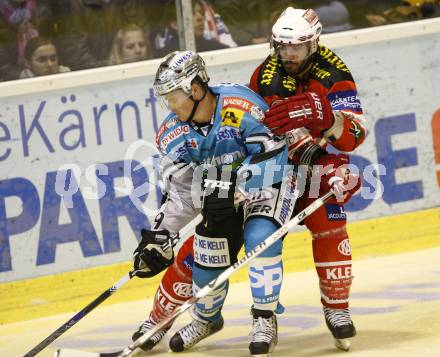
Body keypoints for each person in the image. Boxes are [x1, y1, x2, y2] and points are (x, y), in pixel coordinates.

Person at [129, 50, 360, 356]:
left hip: (270, 185)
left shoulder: (242, 105)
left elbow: (275, 153)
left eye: (173, 97)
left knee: (261, 239)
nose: (169, 106)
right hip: (221, 196)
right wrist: (161, 235)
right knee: (208, 259)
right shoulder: (171, 134)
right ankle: (206, 319)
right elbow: (181, 193)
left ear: (195, 90)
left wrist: (236, 184)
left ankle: (264, 318)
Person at [249, 6, 365, 351]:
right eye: (283, 47)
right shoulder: (264, 75)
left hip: (317, 166)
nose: (289, 54)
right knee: (262, 239)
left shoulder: (335, 74)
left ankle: (337, 309)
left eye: (297, 46)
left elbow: (355, 135)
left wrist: (329, 121)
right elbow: (255, 129)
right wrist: (303, 143)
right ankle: (264, 318)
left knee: (332, 220)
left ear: (314, 43)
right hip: (274, 167)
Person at [153, 0, 235, 57]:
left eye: (200, 12)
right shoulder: (162, 57)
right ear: (175, 24)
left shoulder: (218, 50)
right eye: (191, 13)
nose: (200, 18)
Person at [0, 0, 53, 81]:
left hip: (49, 76)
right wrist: (23, 76)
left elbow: (60, 45)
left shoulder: (43, 7)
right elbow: (2, 65)